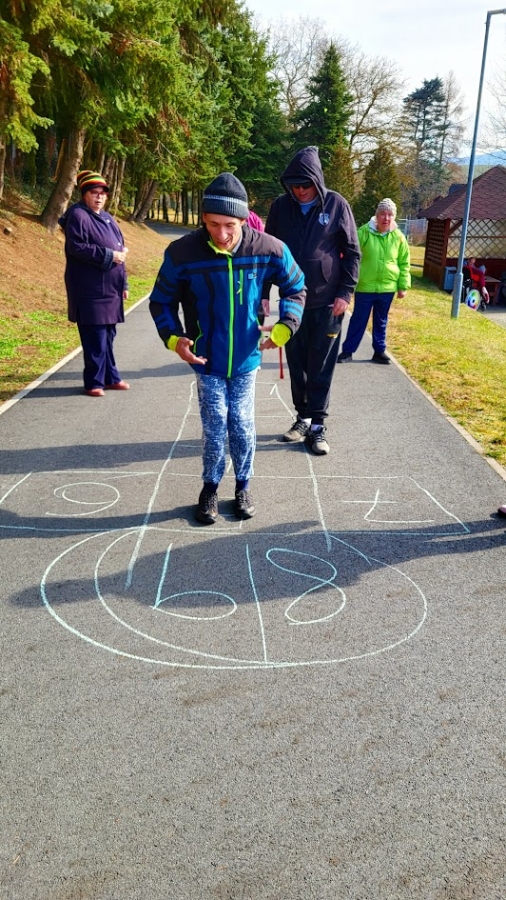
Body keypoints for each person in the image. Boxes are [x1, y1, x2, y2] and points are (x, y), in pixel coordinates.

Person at [149, 172, 306, 525]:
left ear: (243, 220)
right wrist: (174, 338)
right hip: (206, 358)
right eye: (213, 224)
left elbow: (296, 286)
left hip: (247, 357)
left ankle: (243, 485)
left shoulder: (268, 249)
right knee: (216, 423)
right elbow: (161, 300)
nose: (221, 234)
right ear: (203, 218)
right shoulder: (183, 253)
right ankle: (209, 488)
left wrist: (285, 326)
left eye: (230, 225)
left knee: (242, 422)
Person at [263, 145, 360, 456]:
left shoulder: (337, 204)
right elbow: (268, 252)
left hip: (328, 301)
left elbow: (352, 253)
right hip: (293, 302)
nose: (300, 190)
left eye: (305, 184)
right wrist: (263, 294)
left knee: (321, 365)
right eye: (294, 185)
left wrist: (345, 292)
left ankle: (318, 425)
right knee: (298, 363)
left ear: (316, 180)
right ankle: (303, 418)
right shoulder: (281, 207)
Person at [59, 170, 130, 397]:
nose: (99, 197)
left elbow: (121, 252)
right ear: (84, 194)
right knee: (95, 337)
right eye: (94, 193)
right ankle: (93, 383)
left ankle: (111, 378)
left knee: (108, 335)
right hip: (89, 289)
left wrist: (124, 284)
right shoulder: (78, 215)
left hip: (111, 289)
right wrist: (109, 255)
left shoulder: (108, 218)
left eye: (102, 193)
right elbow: (77, 247)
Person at [338, 198, 411, 365]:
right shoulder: (364, 233)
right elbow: (352, 256)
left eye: (390, 215)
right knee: (358, 320)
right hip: (365, 286)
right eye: (383, 214)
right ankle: (347, 351)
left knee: (381, 321)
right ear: (377, 216)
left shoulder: (399, 237)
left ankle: (379, 351)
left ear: (394, 217)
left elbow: (404, 263)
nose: (386, 218)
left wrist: (403, 286)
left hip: (387, 288)